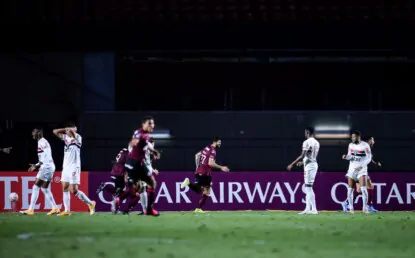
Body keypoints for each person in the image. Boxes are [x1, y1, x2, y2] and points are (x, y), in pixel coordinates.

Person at [53, 123, 96, 216]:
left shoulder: (78, 138)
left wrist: (70, 130)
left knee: (74, 190)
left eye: (72, 128)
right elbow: (54, 131)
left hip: (74, 167)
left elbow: (72, 132)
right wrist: (65, 128)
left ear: (75, 129)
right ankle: (67, 211)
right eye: (69, 129)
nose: (69, 130)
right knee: (64, 187)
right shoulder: (65, 138)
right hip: (65, 167)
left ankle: (91, 204)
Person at [180, 137, 229, 213]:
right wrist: (221, 167)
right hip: (206, 173)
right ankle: (198, 208)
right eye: (219, 142)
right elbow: (210, 163)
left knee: (198, 190)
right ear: (215, 142)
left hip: (199, 171)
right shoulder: (213, 151)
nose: (220, 144)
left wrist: (197, 167)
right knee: (207, 191)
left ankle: (189, 183)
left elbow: (197, 155)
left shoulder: (207, 148)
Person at [125, 116, 161, 216]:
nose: (152, 125)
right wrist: (136, 143)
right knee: (152, 183)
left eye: (152, 123)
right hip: (136, 164)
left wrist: (153, 151)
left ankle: (145, 210)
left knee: (140, 187)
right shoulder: (142, 134)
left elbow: (146, 143)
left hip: (130, 163)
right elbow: (138, 141)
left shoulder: (140, 133)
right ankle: (148, 210)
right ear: (143, 124)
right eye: (149, 123)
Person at [20, 127, 60, 215]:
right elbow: (45, 156)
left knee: (36, 186)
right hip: (49, 166)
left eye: (34, 132)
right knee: (45, 188)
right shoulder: (42, 142)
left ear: (39, 132)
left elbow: (46, 156)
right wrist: (37, 165)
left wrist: (38, 165)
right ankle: (55, 208)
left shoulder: (42, 142)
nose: (32, 134)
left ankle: (31, 210)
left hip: (46, 167)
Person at [342, 136, 380, 212]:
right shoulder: (361, 147)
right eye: (372, 140)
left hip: (362, 171)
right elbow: (353, 157)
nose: (373, 141)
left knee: (370, 187)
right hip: (356, 171)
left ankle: (368, 205)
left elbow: (369, 158)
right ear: (369, 140)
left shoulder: (367, 148)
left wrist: (376, 162)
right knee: (360, 190)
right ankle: (347, 203)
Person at [287, 127, 320, 215]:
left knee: (308, 187)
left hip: (309, 167)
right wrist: (303, 162)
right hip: (313, 165)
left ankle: (307, 209)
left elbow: (302, 155)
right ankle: (313, 209)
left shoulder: (306, 142)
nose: (304, 134)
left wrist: (292, 164)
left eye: (305, 132)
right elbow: (310, 156)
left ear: (308, 133)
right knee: (309, 187)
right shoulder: (317, 142)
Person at [96, 147, 129, 213]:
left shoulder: (123, 151)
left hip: (114, 170)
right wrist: (126, 175)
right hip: (120, 172)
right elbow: (127, 164)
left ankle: (114, 209)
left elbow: (119, 160)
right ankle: (106, 186)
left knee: (117, 192)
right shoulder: (127, 153)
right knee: (121, 190)